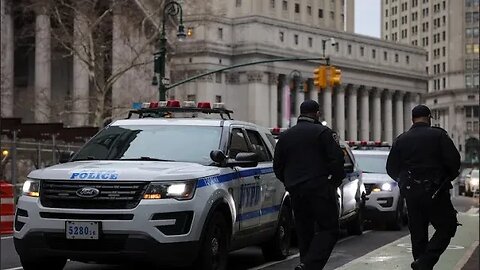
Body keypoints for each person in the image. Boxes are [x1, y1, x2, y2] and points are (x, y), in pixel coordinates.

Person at [386, 104, 461, 270]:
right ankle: (425, 261)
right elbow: (454, 162)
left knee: (418, 233)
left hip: (412, 193)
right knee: (447, 227)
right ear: (429, 117)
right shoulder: (439, 136)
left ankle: (421, 262)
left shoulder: (401, 139)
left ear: (412, 119)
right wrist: (446, 178)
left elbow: (391, 168)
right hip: (436, 191)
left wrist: (403, 182)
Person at [273, 100, 345, 270]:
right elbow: (337, 161)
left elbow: (277, 166)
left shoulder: (285, 136)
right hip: (320, 189)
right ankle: (309, 266)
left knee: (305, 232)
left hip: (296, 191)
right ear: (317, 113)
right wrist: (333, 183)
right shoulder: (324, 133)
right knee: (329, 229)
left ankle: (305, 263)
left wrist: (289, 183)